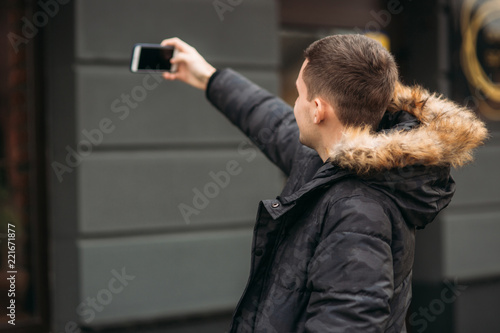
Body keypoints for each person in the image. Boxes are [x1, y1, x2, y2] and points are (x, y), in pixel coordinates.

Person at [161, 35, 487, 332]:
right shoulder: (322, 161)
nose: (294, 105)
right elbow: (269, 120)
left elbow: (348, 324)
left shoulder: (359, 213)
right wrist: (206, 76)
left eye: (300, 94)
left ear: (317, 110)